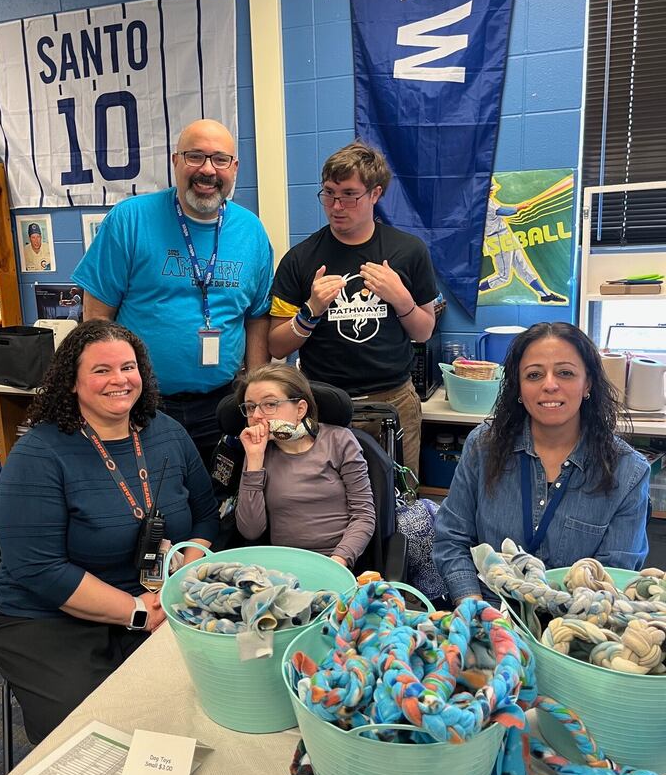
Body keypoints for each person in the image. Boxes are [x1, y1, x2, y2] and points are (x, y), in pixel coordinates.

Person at [0, 320, 219, 743]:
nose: (119, 380)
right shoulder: (39, 454)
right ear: (71, 383)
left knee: (207, 703)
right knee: (92, 734)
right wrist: (136, 611)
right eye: (101, 370)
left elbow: (205, 517)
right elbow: (37, 569)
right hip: (49, 615)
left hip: (159, 600)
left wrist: (182, 582)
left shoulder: (167, 432)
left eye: (128, 367)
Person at [73, 119, 274, 465]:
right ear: (175, 161)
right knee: (149, 506)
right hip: (142, 403)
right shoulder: (129, 220)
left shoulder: (251, 231)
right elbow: (96, 318)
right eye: (195, 156)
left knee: (221, 505)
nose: (207, 170)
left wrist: (254, 400)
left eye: (220, 159)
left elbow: (257, 319)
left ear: (234, 167)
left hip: (222, 405)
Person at [433, 322, 650, 604]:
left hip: (575, 626)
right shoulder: (483, 446)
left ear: (588, 384)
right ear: (519, 390)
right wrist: (473, 607)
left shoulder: (628, 472)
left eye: (565, 373)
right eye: (534, 375)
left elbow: (611, 579)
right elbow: (452, 539)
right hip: (488, 612)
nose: (550, 385)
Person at [268, 142, 438, 482]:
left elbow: (424, 331)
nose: (335, 206)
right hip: (323, 403)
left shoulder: (408, 251)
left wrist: (401, 299)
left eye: (349, 195)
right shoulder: (301, 258)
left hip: (393, 401)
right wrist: (310, 311)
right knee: (324, 505)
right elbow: (276, 345)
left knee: (400, 505)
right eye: (329, 193)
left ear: (375, 194)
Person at [235, 363, 376, 568]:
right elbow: (251, 531)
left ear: (300, 409)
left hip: (339, 560)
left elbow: (363, 514)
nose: (256, 416)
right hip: (284, 566)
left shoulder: (338, 440)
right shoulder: (257, 451)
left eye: (269, 404)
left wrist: (337, 562)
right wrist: (255, 461)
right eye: (250, 407)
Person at [478, 179, 567, 303]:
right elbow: (504, 211)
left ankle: (545, 294)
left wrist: (520, 207)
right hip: (497, 239)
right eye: (490, 190)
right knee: (503, 276)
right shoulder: (484, 203)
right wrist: (520, 206)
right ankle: (475, 290)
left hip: (505, 235)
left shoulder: (489, 201)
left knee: (524, 269)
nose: (492, 191)